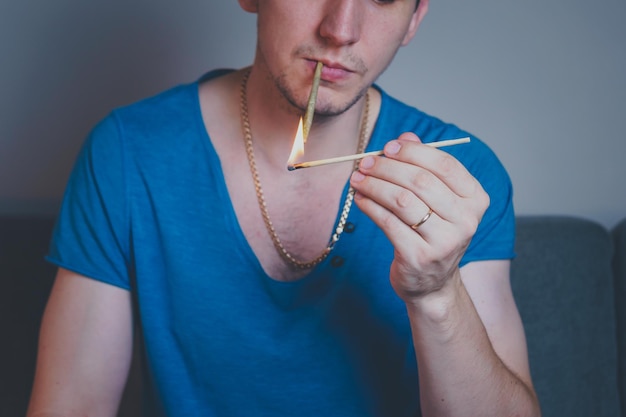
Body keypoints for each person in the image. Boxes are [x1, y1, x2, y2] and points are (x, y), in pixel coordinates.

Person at [27, 0, 541, 416]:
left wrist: (436, 292)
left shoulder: (458, 178)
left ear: (414, 19)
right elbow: (71, 404)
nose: (341, 29)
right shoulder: (129, 152)